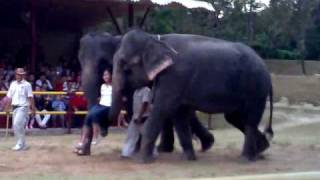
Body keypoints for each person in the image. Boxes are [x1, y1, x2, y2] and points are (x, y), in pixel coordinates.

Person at [74, 69, 112, 155]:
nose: (106, 77)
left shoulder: (114, 86)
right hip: (101, 104)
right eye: (104, 75)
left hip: (108, 106)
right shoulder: (102, 86)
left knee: (94, 114)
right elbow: (102, 97)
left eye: (107, 75)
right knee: (89, 116)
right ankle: (82, 141)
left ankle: (96, 136)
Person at [121, 86, 157, 158]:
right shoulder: (136, 91)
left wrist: (140, 116)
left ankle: (153, 153)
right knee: (131, 135)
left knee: (147, 136)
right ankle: (126, 153)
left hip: (144, 117)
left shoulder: (146, 90)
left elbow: (145, 103)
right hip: (135, 117)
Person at [5, 68, 36, 151]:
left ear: (23, 75)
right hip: (14, 107)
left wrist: (33, 108)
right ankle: (23, 144)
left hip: (23, 107)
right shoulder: (12, 84)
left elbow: (30, 97)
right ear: (16, 75)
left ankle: (19, 144)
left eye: (21, 74)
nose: (19, 75)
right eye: (18, 74)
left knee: (16, 124)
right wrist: (7, 107)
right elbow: (9, 97)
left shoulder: (27, 84)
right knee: (18, 127)